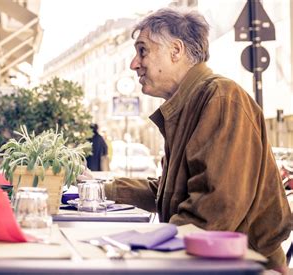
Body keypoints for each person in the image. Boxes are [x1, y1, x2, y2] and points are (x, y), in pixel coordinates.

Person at [83, 8, 290, 273]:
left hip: (237, 266)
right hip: (213, 263)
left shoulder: (221, 98)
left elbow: (213, 213)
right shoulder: (192, 103)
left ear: (176, 51)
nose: (134, 63)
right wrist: (101, 189)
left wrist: (148, 249)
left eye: (143, 50)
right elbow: (170, 192)